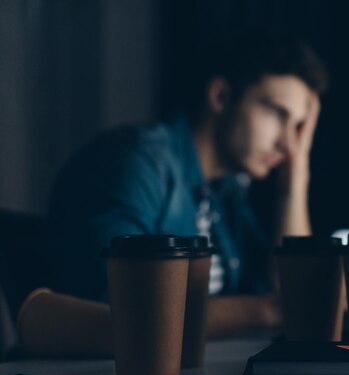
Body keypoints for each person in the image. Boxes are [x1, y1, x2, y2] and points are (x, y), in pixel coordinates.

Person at [47, 31, 328, 337]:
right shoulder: (138, 163)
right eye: (277, 114)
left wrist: (295, 180)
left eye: (298, 126)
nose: (288, 142)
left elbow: (287, 288)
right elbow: (122, 310)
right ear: (220, 96)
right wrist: (271, 310)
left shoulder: (227, 191)